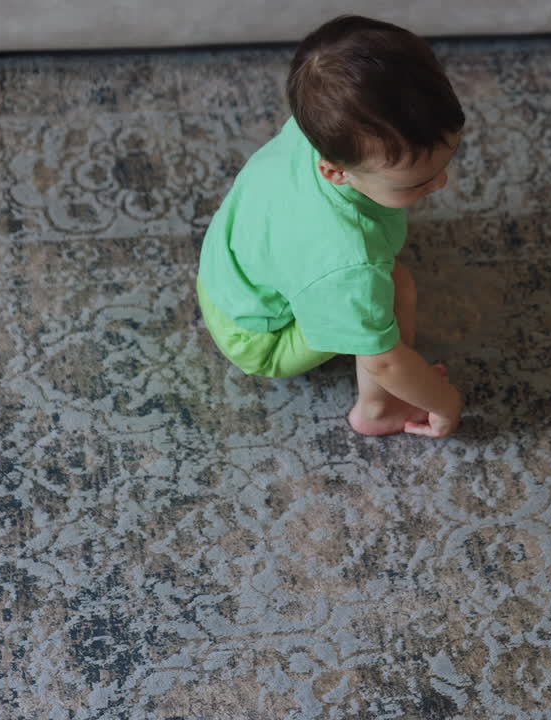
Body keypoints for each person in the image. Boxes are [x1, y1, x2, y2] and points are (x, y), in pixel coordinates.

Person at [196, 15, 466, 436]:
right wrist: (445, 402)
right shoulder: (348, 262)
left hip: (224, 270)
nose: (442, 182)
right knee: (396, 288)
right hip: (259, 335)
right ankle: (376, 411)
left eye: (445, 164)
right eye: (418, 182)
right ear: (335, 172)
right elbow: (385, 360)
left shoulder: (322, 125)